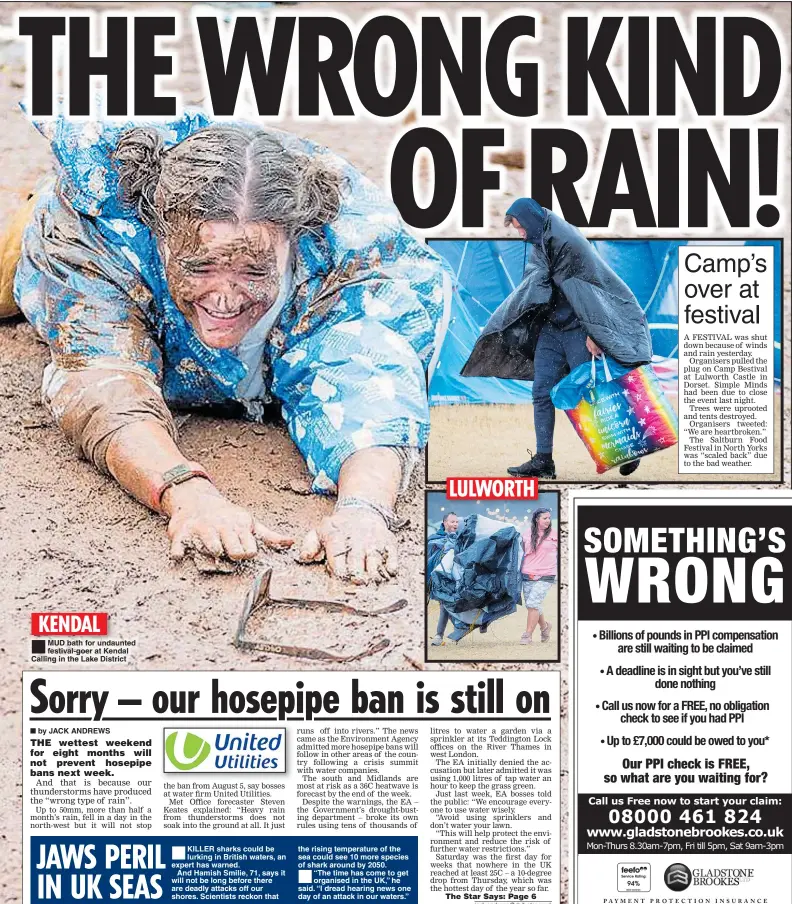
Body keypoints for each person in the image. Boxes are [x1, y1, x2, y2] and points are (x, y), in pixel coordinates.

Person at [2, 111, 451, 583]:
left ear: (292, 248)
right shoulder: (97, 236)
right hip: (59, 236)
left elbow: (370, 379)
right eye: (201, 267)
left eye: (253, 272)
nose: (224, 296)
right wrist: (188, 495)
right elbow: (101, 381)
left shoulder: (346, 256)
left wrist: (364, 510)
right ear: (160, 239)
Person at [461, 198, 652, 479]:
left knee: (588, 392)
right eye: (517, 230)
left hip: (578, 327)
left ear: (532, 220)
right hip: (552, 328)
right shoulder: (541, 241)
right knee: (541, 392)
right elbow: (536, 283)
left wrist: (593, 332)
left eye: (521, 228)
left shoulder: (568, 241)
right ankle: (543, 461)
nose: (520, 235)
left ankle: (626, 448)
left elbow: (588, 290)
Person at [519, 507, 557, 645]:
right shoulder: (526, 534)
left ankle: (527, 635)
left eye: (549, 518)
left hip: (546, 574)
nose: (548, 520)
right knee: (533, 605)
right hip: (527, 573)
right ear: (537, 519)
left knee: (533, 603)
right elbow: (521, 552)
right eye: (544, 518)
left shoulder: (555, 534)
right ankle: (545, 627)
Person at [427, 512, 460, 645]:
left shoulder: (460, 538)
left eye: (457, 522)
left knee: (450, 604)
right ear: (445, 522)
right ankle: (443, 635)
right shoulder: (435, 538)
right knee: (444, 605)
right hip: (440, 577)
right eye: (452, 522)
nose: (455, 524)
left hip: (455, 576)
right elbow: (430, 557)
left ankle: (446, 634)